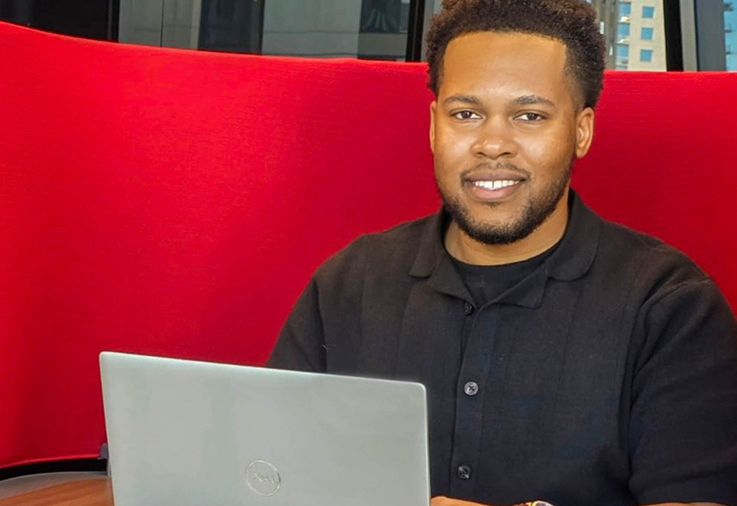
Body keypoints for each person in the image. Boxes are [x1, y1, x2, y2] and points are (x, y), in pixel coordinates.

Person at [266, 1, 737, 505]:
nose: (493, 144)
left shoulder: (670, 307)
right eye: (466, 114)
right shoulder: (349, 283)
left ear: (581, 130)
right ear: (433, 125)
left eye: (529, 115)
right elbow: (265, 470)